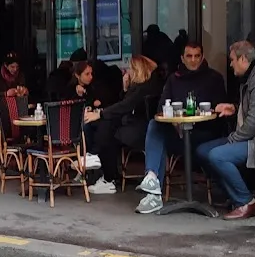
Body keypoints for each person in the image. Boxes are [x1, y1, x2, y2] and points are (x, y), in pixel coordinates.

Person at [196, 40, 255, 220]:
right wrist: (234, 107)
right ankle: (233, 195)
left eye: (232, 60)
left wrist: (233, 139)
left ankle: (245, 201)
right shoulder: (252, 77)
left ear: (243, 59)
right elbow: (254, 110)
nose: (230, 64)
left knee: (217, 155)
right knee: (202, 151)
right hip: (253, 136)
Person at [134, 40, 227, 214]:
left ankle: (154, 191)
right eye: (189, 56)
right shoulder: (174, 79)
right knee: (155, 126)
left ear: (202, 57)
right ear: (182, 58)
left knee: (158, 134)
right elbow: (161, 108)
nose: (193, 60)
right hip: (179, 134)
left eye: (197, 56)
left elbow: (222, 111)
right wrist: (175, 121)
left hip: (205, 134)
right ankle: (152, 181)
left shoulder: (214, 78)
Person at [83, 55, 163, 194]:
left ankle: (107, 175)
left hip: (142, 129)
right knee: (105, 125)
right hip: (134, 125)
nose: (128, 72)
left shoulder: (144, 87)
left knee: (107, 129)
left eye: (131, 69)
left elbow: (125, 105)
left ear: (138, 70)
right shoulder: (145, 85)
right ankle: (103, 169)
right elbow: (124, 104)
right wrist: (125, 88)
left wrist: (101, 114)